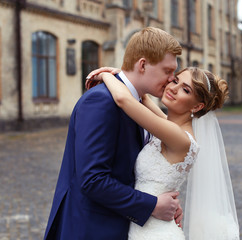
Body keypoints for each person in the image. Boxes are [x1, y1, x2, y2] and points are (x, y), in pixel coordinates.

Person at [44, 27, 183, 240]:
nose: (171, 79)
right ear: (143, 65)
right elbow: (93, 179)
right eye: (167, 71)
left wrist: (163, 199)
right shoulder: (100, 100)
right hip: (91, 229)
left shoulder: (135, 102)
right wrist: (153, 205)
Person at [87, 66, 240, 239]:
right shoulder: (171, 127)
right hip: (145, 224)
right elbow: (143, 98)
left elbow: (124, 100)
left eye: (185, 89)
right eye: (175, 80)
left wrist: (104, 75)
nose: (173, 88)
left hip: (156, 233)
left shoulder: (179, 138)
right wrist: (122, 74)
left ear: (197, 106)